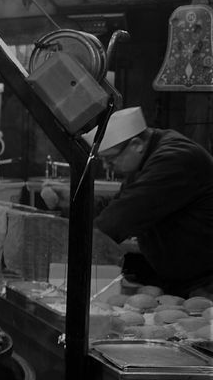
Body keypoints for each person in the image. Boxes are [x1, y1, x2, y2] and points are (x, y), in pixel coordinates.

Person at [42, 106, 213, 297]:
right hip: (182, 277)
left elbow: (117, 220)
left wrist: (57, 254)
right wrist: (73, 200)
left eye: (110, 159)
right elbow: (117, 204)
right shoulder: (150, 154)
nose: (108, 167)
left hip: (204, 281)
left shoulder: (175, 159)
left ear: (136, 144)